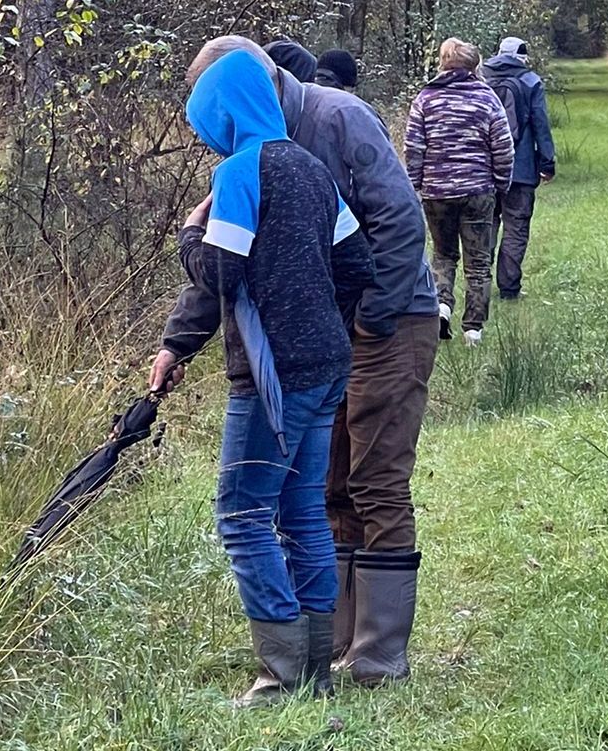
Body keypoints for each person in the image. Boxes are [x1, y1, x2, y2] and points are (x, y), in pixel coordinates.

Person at [157, 37, 441, 689]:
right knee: (325, 489)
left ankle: (377, 657)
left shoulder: (337, 118)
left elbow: (400, 221)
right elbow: (236, 264)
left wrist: (369, 319)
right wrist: (178, 343)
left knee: (374, 480)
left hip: (391, 317)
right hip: (325, 339)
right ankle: (326, 650)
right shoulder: (253, 154)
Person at [404, 38, 514, 346]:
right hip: (478, 191)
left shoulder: (426, 98)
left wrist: (415, 184)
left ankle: (441, 307)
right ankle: (473, 329)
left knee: (443, 254)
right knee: (478, 262)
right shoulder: (487, 98)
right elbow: (503, 147)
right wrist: (501, 184)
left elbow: (413, 148)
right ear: (475, 66)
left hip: (436, 191)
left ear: (443, 63)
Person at [479, 36, 556, 301]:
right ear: (522, 56)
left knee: (486, 225)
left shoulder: (479, 80)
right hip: (519, 170)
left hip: (484, 169)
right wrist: (547, 163)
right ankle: (509, 289)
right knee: (516, 228)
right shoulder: (531, 81)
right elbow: (540, 125)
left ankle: (479, 284)